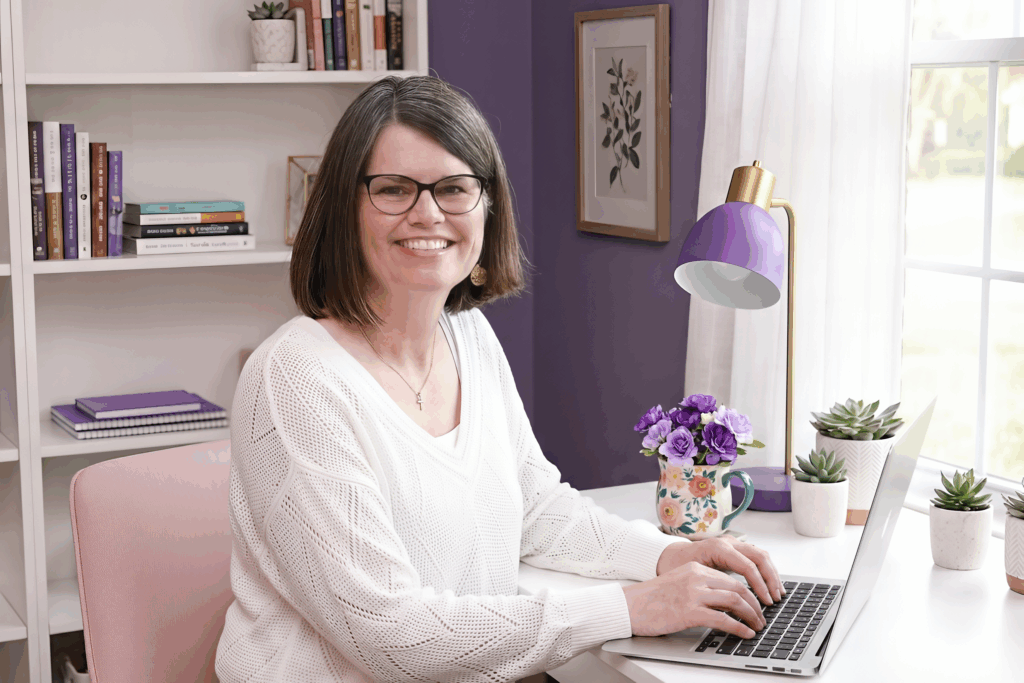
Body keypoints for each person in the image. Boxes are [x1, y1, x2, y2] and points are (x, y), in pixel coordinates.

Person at [214, 75, 785, 683]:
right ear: (344, 208)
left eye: (454, 188)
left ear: (487, 206)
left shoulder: (468, 336)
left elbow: (534, 508)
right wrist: (628, 609)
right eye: (394, 190)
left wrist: (668, 555)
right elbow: (388, 636)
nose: (427, 213)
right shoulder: (293, 379)